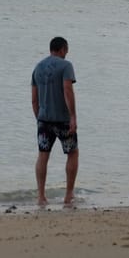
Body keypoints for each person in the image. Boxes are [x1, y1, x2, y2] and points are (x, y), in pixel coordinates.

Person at [31, 36, 78, 206]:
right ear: (62, 49)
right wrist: (73, 116)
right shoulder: (66, 66)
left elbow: (34, 100)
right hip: (62, 119)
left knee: (43, 155)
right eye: (66, 50)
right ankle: (68, 195)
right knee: (72, 153)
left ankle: (41, 196)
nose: (66, 53)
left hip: (44, 119)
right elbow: (67, 90)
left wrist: (39, 118)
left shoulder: (38, 67)